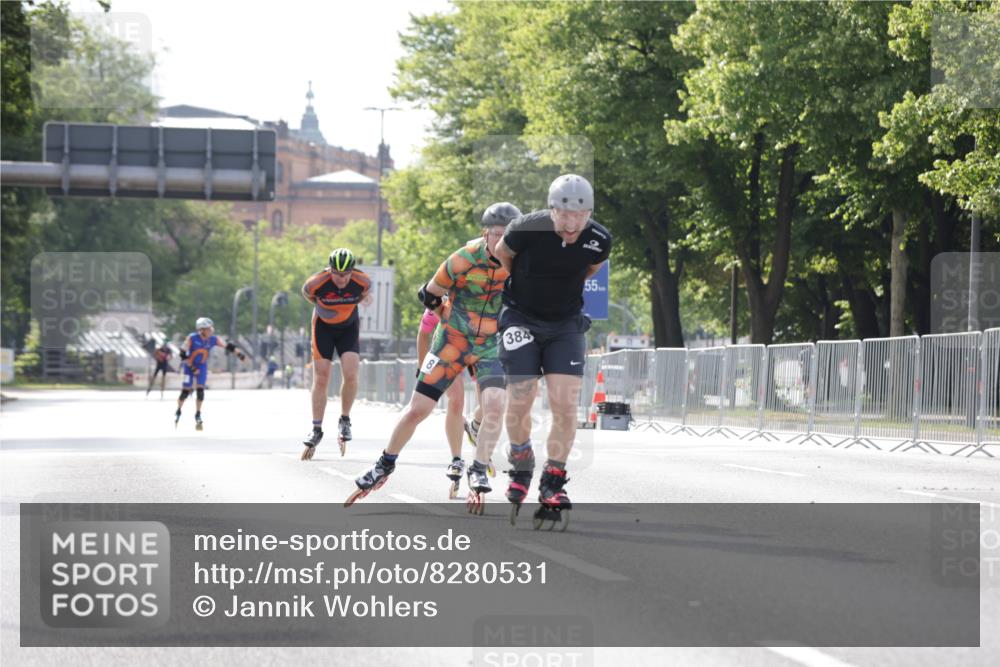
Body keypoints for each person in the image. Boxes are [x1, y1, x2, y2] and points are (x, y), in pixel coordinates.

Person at [347, 203, 521, 506]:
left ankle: (477, 469)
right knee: (418, 409)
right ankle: (384, 464)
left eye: (509, 236)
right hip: (451, 342)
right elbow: (427, 293)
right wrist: (444, 312)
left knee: (495, 406)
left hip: (490, 344)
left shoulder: (521, 262)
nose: (502, 242)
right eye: (497, 235)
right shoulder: (463, 258)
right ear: (485, 233)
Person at [492, 174, 611, 524]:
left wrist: (561, 290)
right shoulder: (525, 229)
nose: (572, 223)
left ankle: (552, 480)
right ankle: (521, 458)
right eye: (564, 214)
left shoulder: (599, 239)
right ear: (551, 209)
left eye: (581, 215)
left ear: (589, 213)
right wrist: (528, 286)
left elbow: (593, 268)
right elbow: (503, 255)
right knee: (521, 396)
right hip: (521, 318)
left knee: (564, 403)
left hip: (565, 323)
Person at [300, 248, 371, 459]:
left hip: (348, 327)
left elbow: (363, 296)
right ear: (329, 270)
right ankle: (316, 428)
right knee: (321, 377)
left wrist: (342, 310)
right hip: (323, 327)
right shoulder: (315, 283)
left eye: (346, 274)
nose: (342, 279)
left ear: (352, 271)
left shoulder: (363, 281)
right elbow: (308, 296)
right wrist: (326, 309)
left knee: (351, 373)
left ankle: (345, 419)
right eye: (337, 274)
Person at [416, 307, 490, 496]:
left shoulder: (483, 294)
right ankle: (456, 458)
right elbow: (424, 333)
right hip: (449, 350)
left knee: (488, 404)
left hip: (477, 349)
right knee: (456, 400)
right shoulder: (443, 296)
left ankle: (474, 426)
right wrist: (422, 365)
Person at [175, 317, 246, 430]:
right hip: (189, 366)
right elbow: (182, 354)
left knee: (200, 391)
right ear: (202, 330)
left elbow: (228, 346)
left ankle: (198, 414)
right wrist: (193, 368)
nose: (211, 330)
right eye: (208, 329)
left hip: (202, 366)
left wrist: (239, 354)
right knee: (185, 392)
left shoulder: (213, 339)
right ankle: (178, 410)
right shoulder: (192, 338)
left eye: (211, 328)